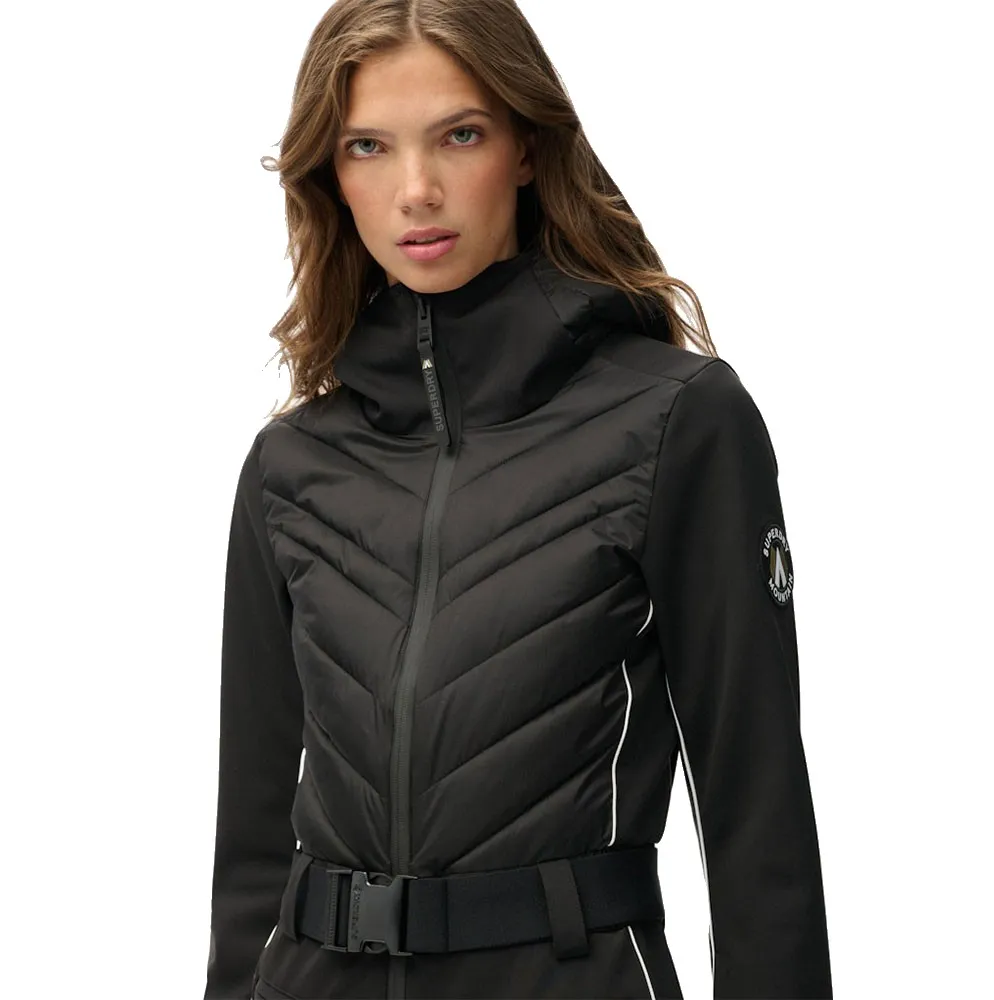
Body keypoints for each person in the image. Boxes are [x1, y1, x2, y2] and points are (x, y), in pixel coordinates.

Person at [203, 1, 833, 998]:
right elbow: (248, 849)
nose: (416, 189)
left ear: (527, 148)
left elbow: (757, 820)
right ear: (332, 175)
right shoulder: (292, 464)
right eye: (368, 146)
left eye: (459, 135)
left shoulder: (676, 422)